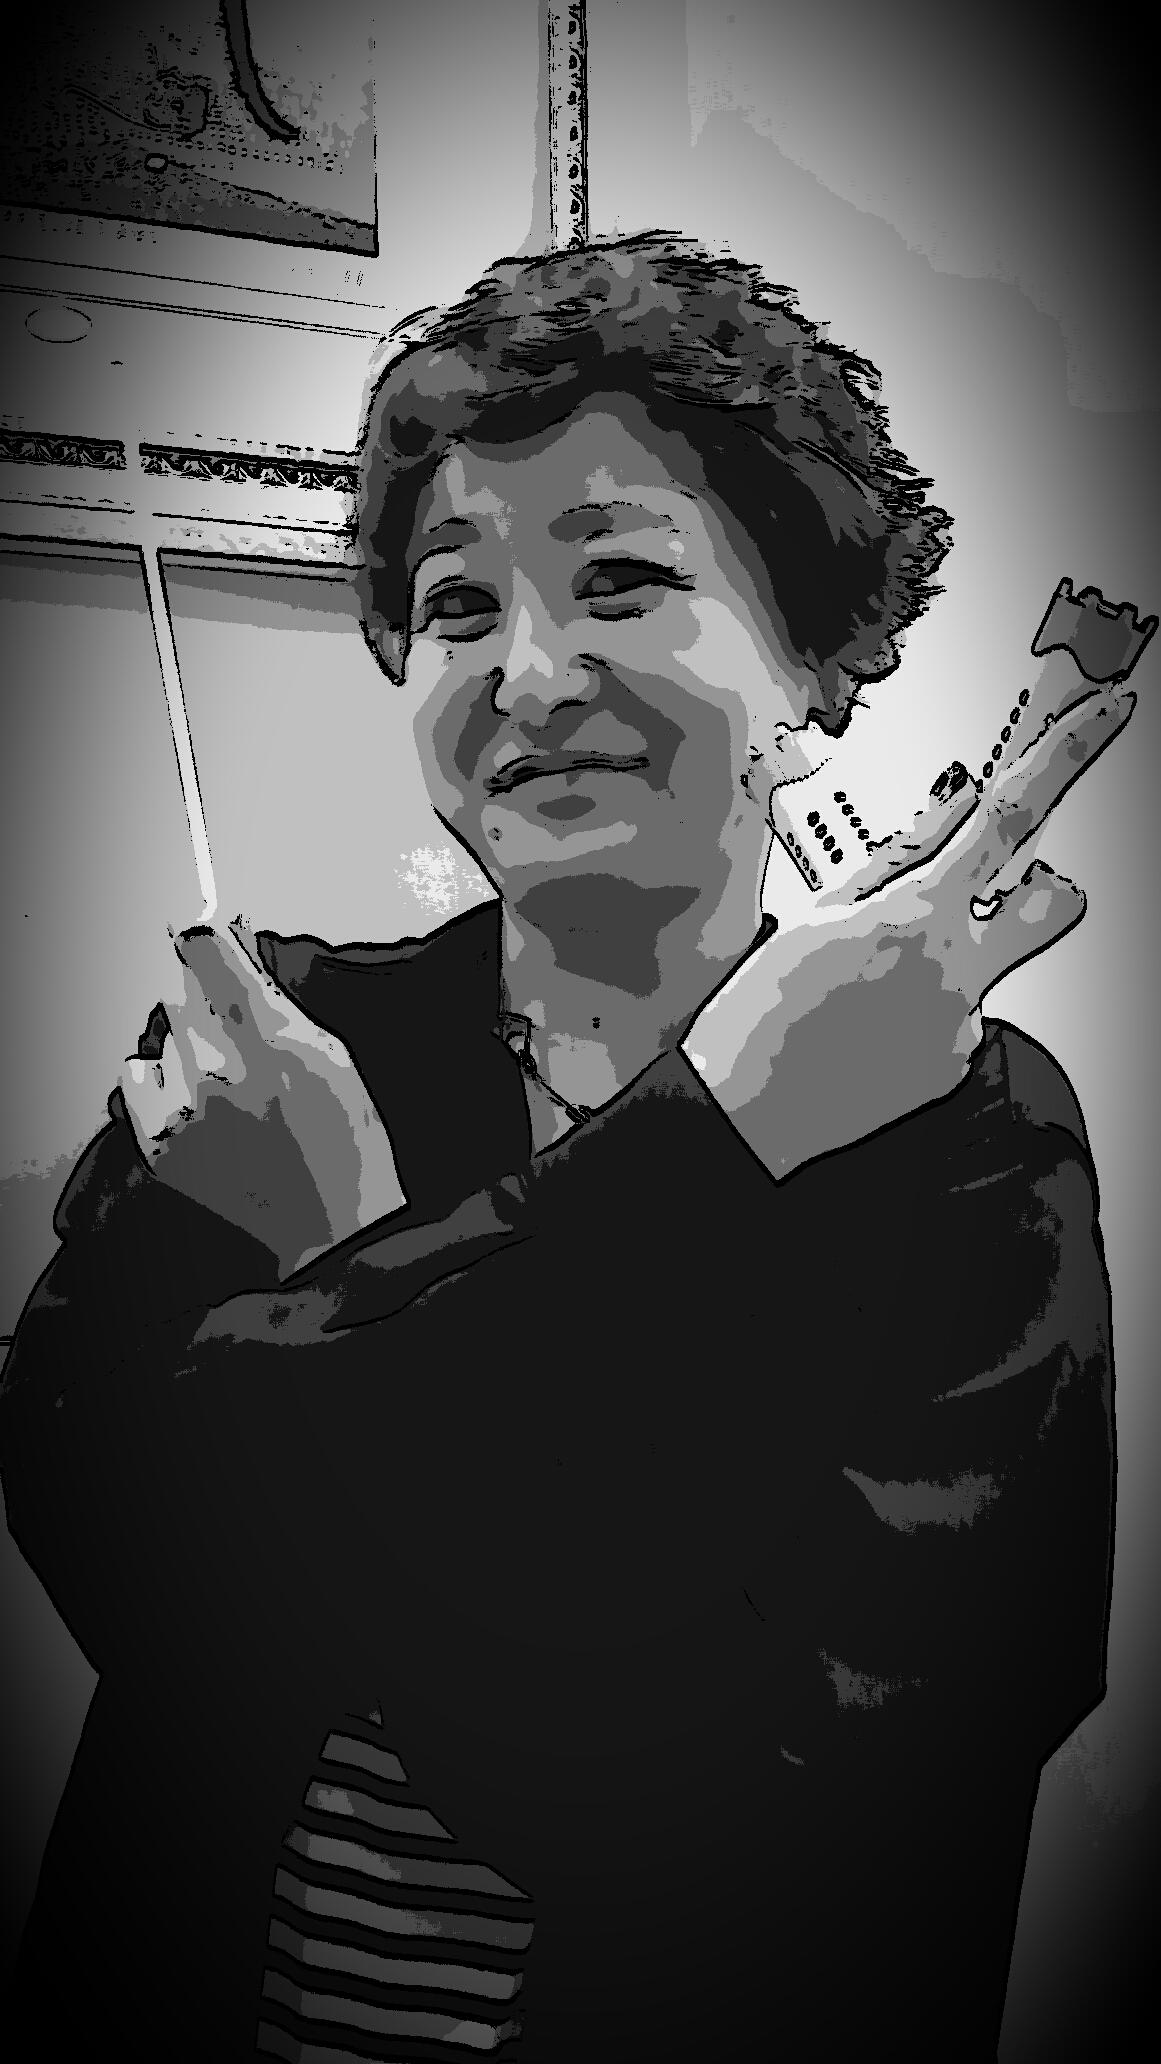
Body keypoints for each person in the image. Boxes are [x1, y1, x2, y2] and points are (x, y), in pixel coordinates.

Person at [0, 235, 1124, 2060]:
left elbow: (775, 1818)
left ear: (814, 674)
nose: (526, 675)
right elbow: (123, 1547)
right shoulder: (279, 1040)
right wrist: (708, 1146)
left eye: (621, 578)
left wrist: (352, 1256)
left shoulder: (967, 1134)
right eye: (456, 606)